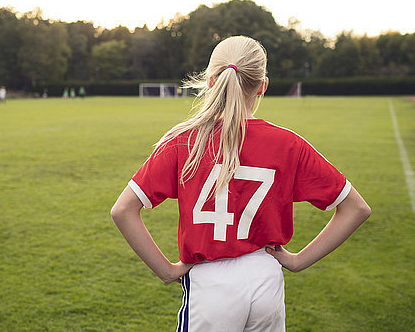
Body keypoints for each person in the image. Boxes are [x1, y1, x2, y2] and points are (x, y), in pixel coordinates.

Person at [111, 36, 371, 331]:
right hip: (266, 279)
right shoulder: (288, 144)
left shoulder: (184, 143)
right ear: (263, 85)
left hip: (210, 285)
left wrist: (167, 271)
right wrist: (298, 261)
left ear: (211, 81)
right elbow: (356, 208)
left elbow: (123, 210)